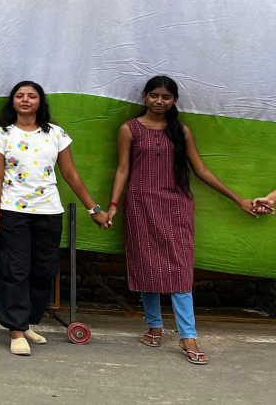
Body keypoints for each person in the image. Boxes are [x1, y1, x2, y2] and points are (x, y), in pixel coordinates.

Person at [108, 76, 259, 365]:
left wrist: (237, 198)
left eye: (166, 97)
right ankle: (154, 325)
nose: (159, 101)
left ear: (174, 100)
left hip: (177, 205)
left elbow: (200, 170)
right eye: (154, 95)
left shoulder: (182, 131)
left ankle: (188, 335)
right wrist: (114, 205)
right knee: (146, 264)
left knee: (179, 268)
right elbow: (123, 170)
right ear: (144, 96)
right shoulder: (130, 130)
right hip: (140, 203)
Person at [0, 81, 109, 355]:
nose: (25, 100)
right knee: (14, 270)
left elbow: (71, 174)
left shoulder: (56, 134)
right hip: (13, 212)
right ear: (13, 101)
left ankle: (27, 322)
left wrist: (94, 209)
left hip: (49, 212)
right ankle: (16, 331)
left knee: (44, 270)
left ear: (41, 101)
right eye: (19, 96)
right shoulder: (2, 134)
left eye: (31, 96)